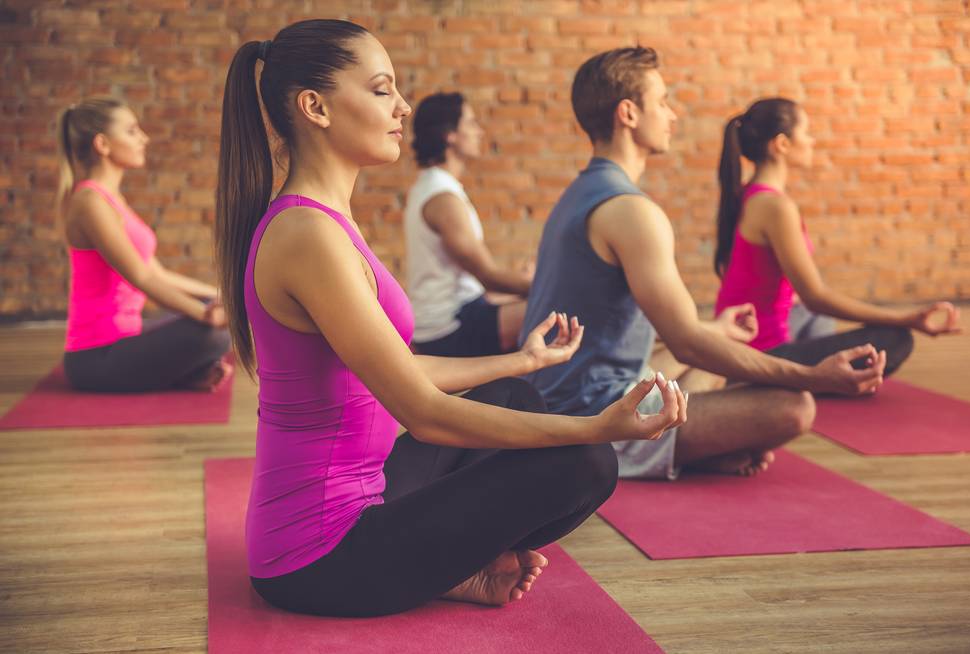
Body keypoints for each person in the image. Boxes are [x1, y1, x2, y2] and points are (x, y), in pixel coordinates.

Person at [215, 20, 687, 618]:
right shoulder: (307, 233)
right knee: (587, 461)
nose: (403, 107)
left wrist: (523, 358)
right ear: (316, 107)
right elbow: (422, 413)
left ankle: (446, 563)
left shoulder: (325, 219)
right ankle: (446, 562)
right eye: (382, 89)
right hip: (317, 554)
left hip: (372, 491)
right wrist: (599, 427)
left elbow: (396, 370)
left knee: (517, 393)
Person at [520, 47, 886, 480]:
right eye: (662, 101)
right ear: (628, 114)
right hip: (593, 419)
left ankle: (704, 448)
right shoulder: (631, 211)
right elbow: (686, 343)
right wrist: (813, 376)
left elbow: (665, 335)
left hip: (559, 396)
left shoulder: (583, 192)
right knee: (792, 405)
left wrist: (717, 329)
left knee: (709, 358)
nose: (672, 115)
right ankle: (687, 451)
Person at [714, 97, 961, 373]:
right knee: (895, 338)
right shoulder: (775, 207)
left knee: (813, 317)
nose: (812, 141)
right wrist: (905, 318)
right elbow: (815, 296)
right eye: (806, 132)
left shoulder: (750, 194)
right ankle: (801, 379)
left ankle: (817, 370)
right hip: (758, 354)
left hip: (746, 338)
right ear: (782, 144)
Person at [55, 96, 231, 393]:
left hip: (126, 339)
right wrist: (206, 315)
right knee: (214, 335)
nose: (144, 138)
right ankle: (184, 374)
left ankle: (185, 374)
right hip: (95, 358)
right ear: (103, 144)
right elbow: (141, 277)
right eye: (132, 131)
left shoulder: (111, 199)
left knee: (214, 314)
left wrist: (221, 297)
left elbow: (158, 273)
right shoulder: (89, 202)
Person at [405, 92, 532, 356]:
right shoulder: (443, 198)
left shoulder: (436, 187)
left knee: (532, 297)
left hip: (463, 310)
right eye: (471, 123)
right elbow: (489, 276)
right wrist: (549, 284)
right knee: (559, 307)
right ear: (450, 135)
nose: (480, 131)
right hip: (447, 329)